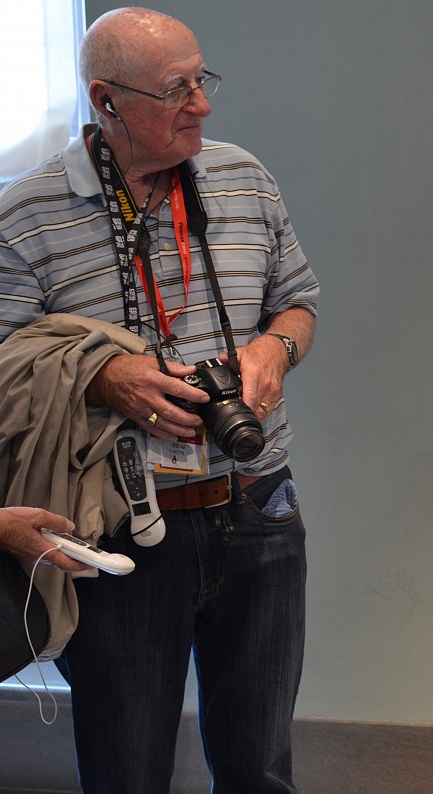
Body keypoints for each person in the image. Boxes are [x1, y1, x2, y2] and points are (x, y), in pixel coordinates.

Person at [0, 8, 319, 792]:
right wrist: (102, 376)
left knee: (262, 765)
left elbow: (299, 303)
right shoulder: (26, 216)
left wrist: (272, 352)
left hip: (259, 507)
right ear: (107, 102)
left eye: (201, 79)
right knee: (127, 765)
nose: (202, 105)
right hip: (123, 535)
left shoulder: (243, 177)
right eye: (176, 89)